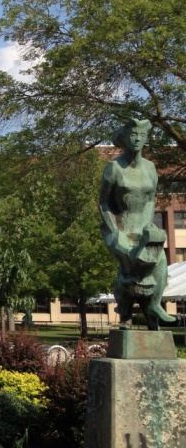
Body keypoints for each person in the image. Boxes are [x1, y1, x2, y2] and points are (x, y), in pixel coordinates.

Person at [98, 118, 175, 330]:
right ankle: (125, 313)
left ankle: (153, 307)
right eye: (133, 135)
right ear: (125, 138)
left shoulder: (150, 168)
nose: (138, 139)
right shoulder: (114, 167)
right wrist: (114, 232)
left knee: (158, 261)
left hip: (143, 228)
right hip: (120, 228)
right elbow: (104, 202)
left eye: (142, 135)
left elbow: (150, 200)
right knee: (131, 265)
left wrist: (149, 226)